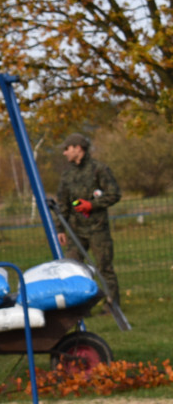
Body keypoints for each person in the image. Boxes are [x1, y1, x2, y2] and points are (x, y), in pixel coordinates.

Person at [55, 132, 122, 310]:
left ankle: (111, 306)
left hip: (98, 229)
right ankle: (78, 307)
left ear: (78, 149)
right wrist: (60, 229)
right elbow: (63, 204)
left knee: (104, 268)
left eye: (67, 149)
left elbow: (114, 194)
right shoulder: (67, 175)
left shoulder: (99, 169)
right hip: (76, 231)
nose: (65, 153)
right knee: (72, 268)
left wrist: (91, 205)